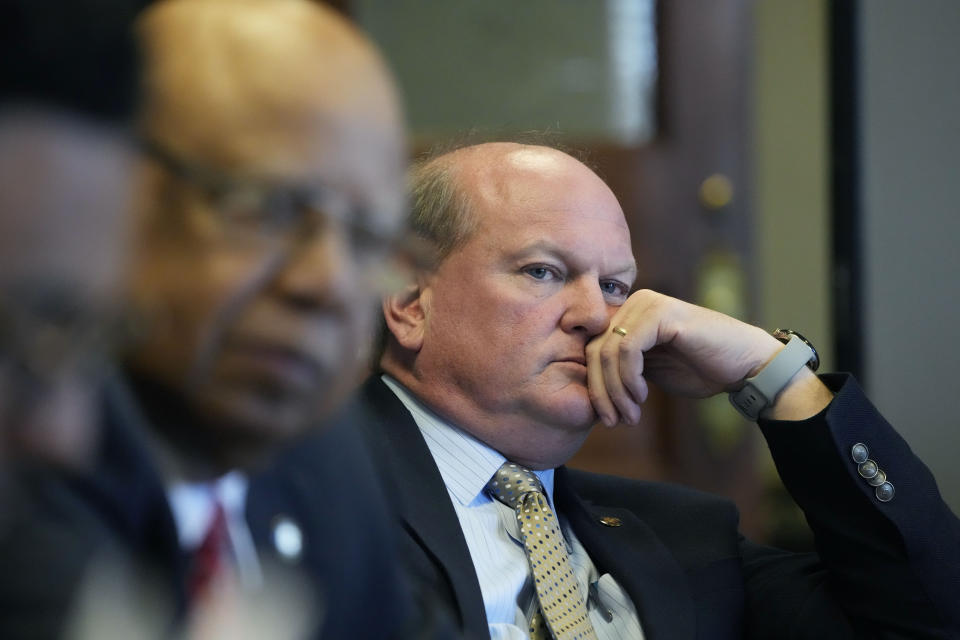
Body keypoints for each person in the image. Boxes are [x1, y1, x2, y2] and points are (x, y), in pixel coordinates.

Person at [358, 141, 960, 639]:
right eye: (543, 272)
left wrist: (775, 374)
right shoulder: (305, 481)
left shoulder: (684, 539)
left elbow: (926, 621)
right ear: (410, 300)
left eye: (616, 286)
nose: (596, 315)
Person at [1, 0, 436, 638]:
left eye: (368, 240)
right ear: (117, 188)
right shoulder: (36, 442)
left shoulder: (333, 456)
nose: (327, 283)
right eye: (271, 209)